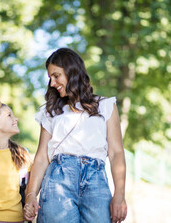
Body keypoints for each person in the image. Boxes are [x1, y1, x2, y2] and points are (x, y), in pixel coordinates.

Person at [23, 48, 127, 223]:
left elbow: (116, 153)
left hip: (96, 181)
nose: (52, 83)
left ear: (72, 71)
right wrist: (31, 195)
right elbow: (41, 157)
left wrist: (119, 194)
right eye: (50, 78)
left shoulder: (106, 106)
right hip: (58, 180)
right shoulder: (51, 111)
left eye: (56, 76)